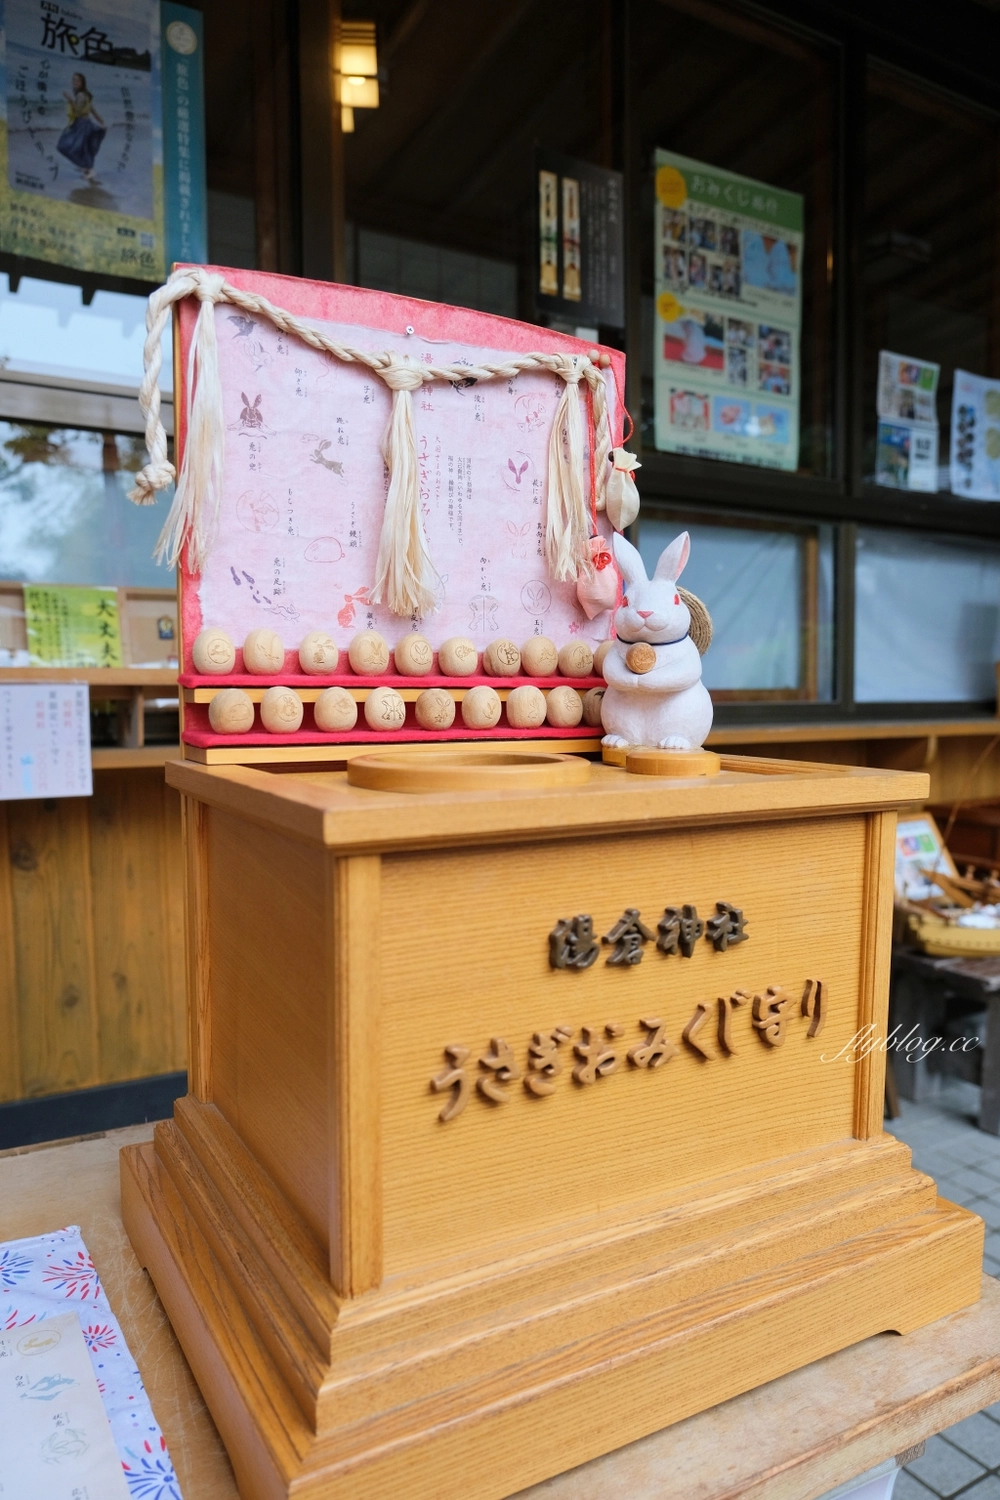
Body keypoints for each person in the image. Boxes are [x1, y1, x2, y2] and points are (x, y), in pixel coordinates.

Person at [57, 73, 106, 183]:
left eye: (77, 81)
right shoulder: (86, 95)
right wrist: (102, 122)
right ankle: (86, 168)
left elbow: (78, 112)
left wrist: (69, 99)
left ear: (82, 82)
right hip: (87, 123)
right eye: (73, 80)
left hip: (81, 124)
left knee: (64, 145)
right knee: (84, 148)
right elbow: (92, 111)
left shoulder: (80, 95)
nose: (75, 82)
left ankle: (89, 170)